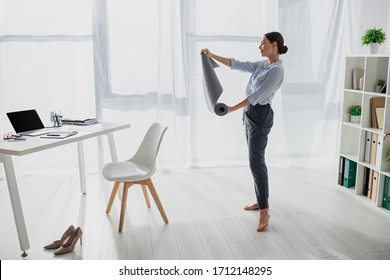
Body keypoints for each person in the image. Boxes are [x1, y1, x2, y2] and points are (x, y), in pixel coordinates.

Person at [201, 31, 288, 232]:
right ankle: (260, 200)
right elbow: (237, 64)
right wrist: (212, 55)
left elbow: (257, 96)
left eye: (263, 43)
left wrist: (231, 108)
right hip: (250, 114)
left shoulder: (277, 71)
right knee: (254, 162)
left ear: (274, 45)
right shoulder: (263, 64)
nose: (260, 46)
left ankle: (264, 210)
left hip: (260, 114)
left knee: (256, 163)